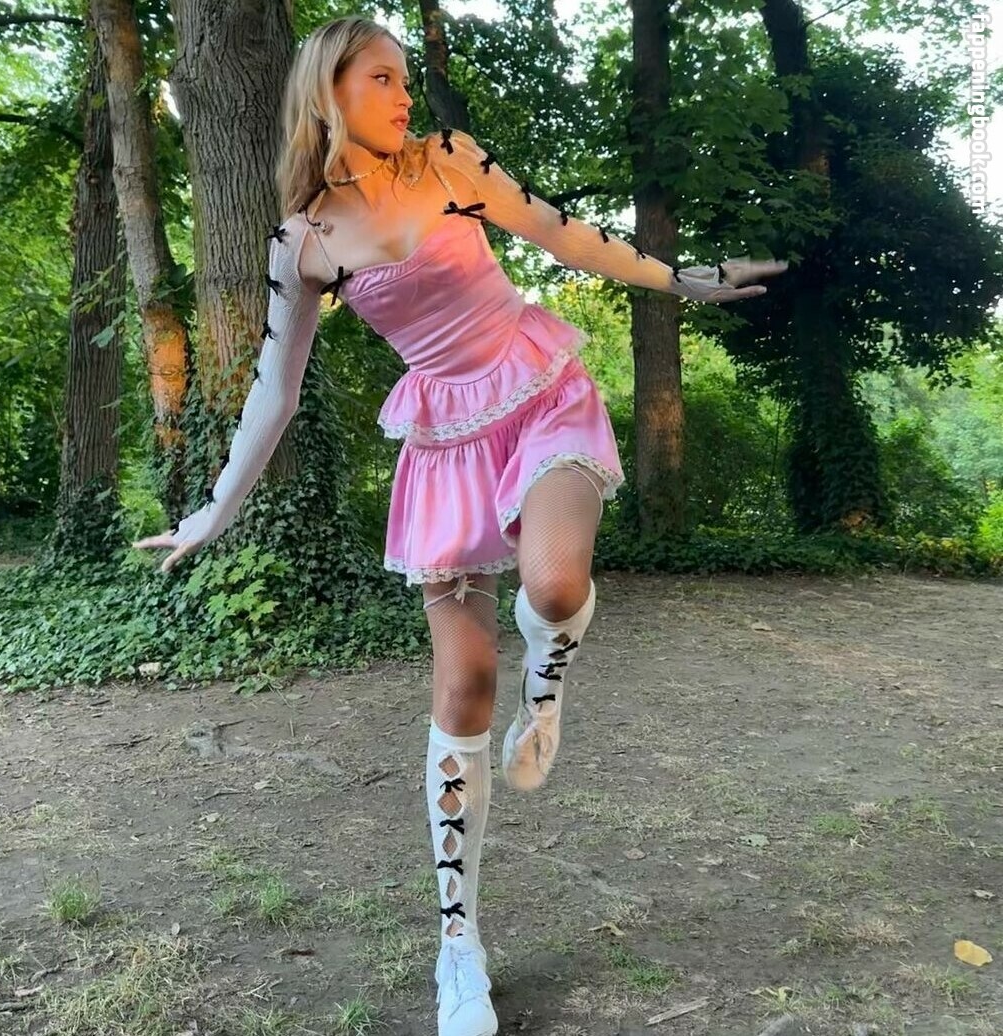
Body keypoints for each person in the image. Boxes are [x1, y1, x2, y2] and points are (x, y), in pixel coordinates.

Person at [134, 15, 786, 1036]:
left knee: (556, 585)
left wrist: (684, 279)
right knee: (463, 683)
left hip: (538, 388)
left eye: (405, 77)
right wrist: (213, 509)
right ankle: (458, 945)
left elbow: (567, 235)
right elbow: (274, 389)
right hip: (443, 440)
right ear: (328, 90)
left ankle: (549, 691)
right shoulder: (305, 241)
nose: (405, 95)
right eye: (382, 78)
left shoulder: (449, 161)